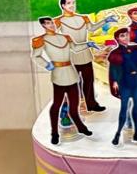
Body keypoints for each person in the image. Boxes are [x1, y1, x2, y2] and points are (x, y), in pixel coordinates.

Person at [31, 17, 92, 145]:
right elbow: (35, 56)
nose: (52, 25)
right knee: (57, 104)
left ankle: (80, 127)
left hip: (71, 72)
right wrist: (46, 64)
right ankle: (54, 132)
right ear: (43, 26)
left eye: (52, 22)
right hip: (58, 74)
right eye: (48, 23)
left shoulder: (65, 37)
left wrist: (87, 44)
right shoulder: (41, 40)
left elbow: (75, 48)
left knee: (74, 104)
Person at [55, 0, 116, 112]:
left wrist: (105, 21)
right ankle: (75, 105)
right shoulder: (58, 21)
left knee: (89, 80)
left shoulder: (83, 18)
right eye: (69, 3)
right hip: (71, 54)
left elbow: (92, 28)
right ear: (63, 6)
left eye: (73, 3)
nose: (72, 5)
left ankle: (91, 104)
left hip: (85, 54)